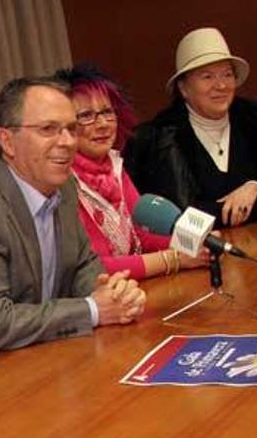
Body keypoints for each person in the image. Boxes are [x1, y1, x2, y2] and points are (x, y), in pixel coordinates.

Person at [0, 76, 147, 360]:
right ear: (7, 141)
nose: (67, 142)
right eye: (48, 129)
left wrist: (114, 294)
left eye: (71, 129)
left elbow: (82, 263)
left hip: (45, 352)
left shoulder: (63, 185)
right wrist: (93, 309)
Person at [125, 27, 257, 228]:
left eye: (227, 74)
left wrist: (256, 187)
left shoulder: (256, 120)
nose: (221, 86)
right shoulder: (163, 137)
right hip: (198, 256)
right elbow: (182, 220)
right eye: (207, 77)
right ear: (183, 88)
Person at [53, 65, 208, 279]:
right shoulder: (61, 181)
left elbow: (141, 234)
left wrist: (196, 243)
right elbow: (97, 268)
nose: (102, 124)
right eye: (87, 116)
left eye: (107, 112)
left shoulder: (113, 166)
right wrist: (174, 259)